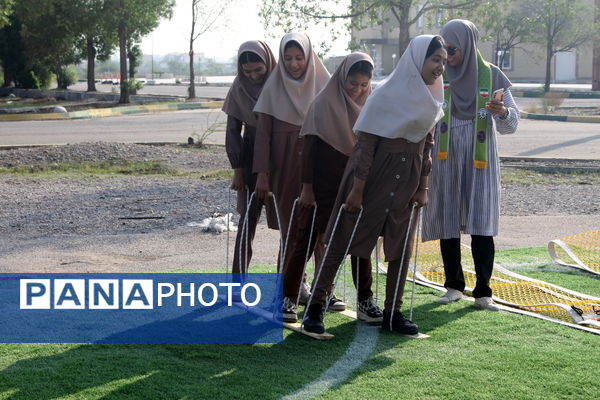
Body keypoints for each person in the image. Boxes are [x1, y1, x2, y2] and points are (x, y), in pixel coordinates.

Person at [303, 35, 447, 335]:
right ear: (418, 59)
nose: (440, 67)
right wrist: (357, 190)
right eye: (435, 60)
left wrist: (423, 187)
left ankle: (393, 313)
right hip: (371, 180)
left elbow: (428, 144)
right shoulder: (384, 97)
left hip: (407, 181)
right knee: (341, 242)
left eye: (443, 61)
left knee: (400, 249)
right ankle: (315, 308)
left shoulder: (432, 98)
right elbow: (365, 147)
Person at [422, 19, 519, 311]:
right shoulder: (437, 75)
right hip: (445, 156)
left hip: (481, 159)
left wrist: (501, 112)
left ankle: (483, 291)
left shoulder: (492, 75)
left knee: (481, 219)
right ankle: (453, 285)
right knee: (447, 216)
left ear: (468, 45)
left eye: (453, 50)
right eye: (444, 49)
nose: (448, 56)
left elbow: (512, 124)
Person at [281, 52, 381, 323]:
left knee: (359, 242)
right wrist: (307, 188)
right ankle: (288, 298)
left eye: (363, 84)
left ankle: (363, 299)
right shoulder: (323, 103)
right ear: (341, 79)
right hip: (323, 182)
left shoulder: (372, 105)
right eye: (353, 84)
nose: (358, 90)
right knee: (308, 238)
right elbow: (309, 150)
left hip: (356, 184)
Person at [252, 33, 330, 286]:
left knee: (320, 227)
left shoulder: (324, 85)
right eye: (287, 58)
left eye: (299, 57)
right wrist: (262, 174)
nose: (294, 64)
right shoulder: (273, 88)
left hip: (318, 163)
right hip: (283, 166)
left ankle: (323, 287)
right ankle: (290, 286)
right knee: (291, 227)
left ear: (309, 56)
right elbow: (262, 136)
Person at [222, 40, 276, 275]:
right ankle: (238, 280)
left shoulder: (281, 85)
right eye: (247, 71)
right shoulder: (239, 87)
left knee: (291, 223)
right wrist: (238, 170)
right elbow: (233, 131)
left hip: (282, 155)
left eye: (258, 70)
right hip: (250, 155)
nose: (253, 76)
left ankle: (294, 285)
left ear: (268, 64)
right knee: (248, 220)